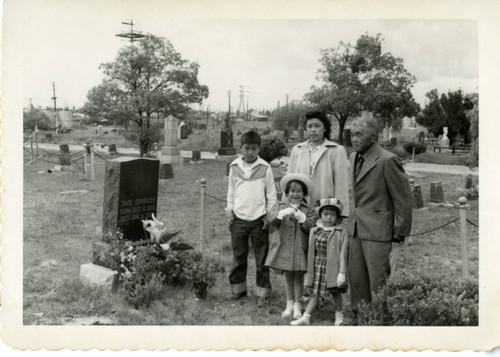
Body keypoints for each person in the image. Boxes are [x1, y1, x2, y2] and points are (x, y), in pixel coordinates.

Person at [347, 116, 413, 324]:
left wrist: (400, 230)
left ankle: (380, 319)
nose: (354, 139)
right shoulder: (353, 157)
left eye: (359, 135)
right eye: (351, 135)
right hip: (356, 227)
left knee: (377, 279)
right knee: (356, 277)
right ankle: (360, 316)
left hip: (378, 229)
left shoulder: (387, 160)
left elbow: (403, 199)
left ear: (373, 137)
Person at [225, 130, 277, 306]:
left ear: (259, 149)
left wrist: (269, 217)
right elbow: (231, 192)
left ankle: (263, 293)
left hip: (259, 220)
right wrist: (230, 212)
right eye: (246, 148)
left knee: (262, 259)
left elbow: (271, 194)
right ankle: (238, 290)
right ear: (241, 148)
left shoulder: (265, 167)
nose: (250, 152)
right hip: (238, 218)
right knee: (239, 257)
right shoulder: (234, 167)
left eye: (254, 148)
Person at [265, 173, 317, 320]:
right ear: (287, 193)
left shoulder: (309, 209)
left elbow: (311, 228)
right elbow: (271, 224)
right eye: (292, 191)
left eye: (299, 191)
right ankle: (289, 304)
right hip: (284, 247)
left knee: (298, 277)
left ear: (304, 193)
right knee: (288, 276)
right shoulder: (280, 206)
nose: (295, 194)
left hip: (300, 248)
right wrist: (279, 215)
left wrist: (303, 219)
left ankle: (297, 305)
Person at [291, 198, 348, 326]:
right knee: (315, 292)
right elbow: (311, 251)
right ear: (320, 215)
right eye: (325, 214)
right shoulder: (315, 230)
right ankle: (306, 317)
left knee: (335, 292)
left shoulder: (341, 232)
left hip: (333, 267)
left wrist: (342, 272)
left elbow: (343, 254)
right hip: (318, 266)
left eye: (333, 215)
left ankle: (339, 316)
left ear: (337, 217)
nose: (329, 217)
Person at [287, 111, 349, 217]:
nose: (313, 130)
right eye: (309, 126)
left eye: (317, 126)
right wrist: (286, 206)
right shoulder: (297, 150)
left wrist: (342, 213)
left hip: (326, 209)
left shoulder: (337, 151)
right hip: (299, 207)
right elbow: (289, 180)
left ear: (324, 128)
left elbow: (341, 185)